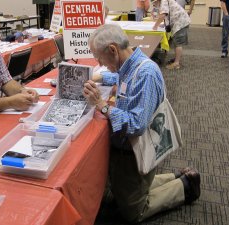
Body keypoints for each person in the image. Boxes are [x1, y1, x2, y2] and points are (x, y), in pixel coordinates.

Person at [83, 24, 200, 224]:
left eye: (98, 58)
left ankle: (185, 186)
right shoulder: (128, 64)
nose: (99, 63)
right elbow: (119, 77)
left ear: (112, 49)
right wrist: (97, 76)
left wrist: (102, 106)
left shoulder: (146, 73)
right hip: (128, 153)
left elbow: (137, 125)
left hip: (134, 152)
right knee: (124, 189)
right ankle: (172, 177)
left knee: (133, 211)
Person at [153, 0, 191, 69]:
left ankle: (176, 63)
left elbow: (163, 15)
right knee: (176, 42)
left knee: (178, 43)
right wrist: (163, 25)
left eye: (154, 3)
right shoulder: (164, 2)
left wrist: (155, 26)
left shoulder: (163, 1)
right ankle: (176, 59)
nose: (154, 5)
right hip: (180, 21)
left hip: (180, 22)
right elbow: (167, 16)